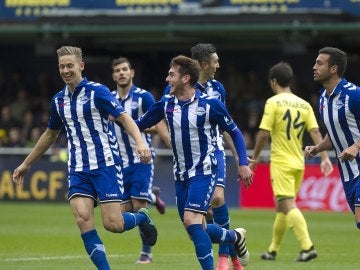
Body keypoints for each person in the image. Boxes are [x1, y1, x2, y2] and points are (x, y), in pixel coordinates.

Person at [12, 46, 157, 270]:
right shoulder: (58, 101)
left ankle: (142, 218)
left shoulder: (97, 92)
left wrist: (140, 143)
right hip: (78, 168)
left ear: (81, 66)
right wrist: (26, 163)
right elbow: (50, 134)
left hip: (106, 165)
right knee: (82, 219)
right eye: (61, 66)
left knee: (114, 224)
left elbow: (125, 118)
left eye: (70, 65)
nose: (65, 70)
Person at [136, 55, 253, 270]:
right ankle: (235, 236)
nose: (166, 79)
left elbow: (235, 133)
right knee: (195, 229)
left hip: (204, 170)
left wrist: (243, 162)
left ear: (185, 78)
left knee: (192, 220)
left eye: (171, 74)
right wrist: (113, 118)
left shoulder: (210, 105)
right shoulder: (166, 104)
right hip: (181, 175)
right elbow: (139, 124)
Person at [249, 61, 333, 262]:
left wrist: (256, 158)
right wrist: (323, 158)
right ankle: (272, 250)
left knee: (287, 205)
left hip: (281, 162)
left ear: (274, 81)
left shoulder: (273, 102)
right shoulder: (304, 104)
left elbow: (263, 134)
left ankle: (307, 247)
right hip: (299, 162)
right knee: (281, 206)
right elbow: (315, 131)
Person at [111, 56, 169, 264]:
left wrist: (133, 125)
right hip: (119, 162)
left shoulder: (143, 97)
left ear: (132, 73)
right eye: (117, 70)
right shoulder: (108, 98)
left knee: (138, 206)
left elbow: (160, 123)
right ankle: (152, 196)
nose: (121, 73)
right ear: (113, 75)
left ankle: (146, 253)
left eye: (125, 69)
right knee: (120, 214)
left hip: (141, 158)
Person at [190, 43, 243, 270]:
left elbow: (226, 127)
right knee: (195, 224)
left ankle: (223, 257)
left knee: (218, 199)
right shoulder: (181, 86)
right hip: (189, 159)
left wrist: (241, 160)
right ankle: (234, 240)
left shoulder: (218, 89)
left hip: (214, 151)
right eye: (215, 61)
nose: (218, 65)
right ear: (204, 64)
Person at [305, 47, 360, 230]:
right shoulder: (323, 99)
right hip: (347, 174)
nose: (314, 67)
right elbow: (333, 134)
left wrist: (356, 147)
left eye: (319, 63)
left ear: (333, 68)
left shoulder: (353, 94)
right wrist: (317, 148)